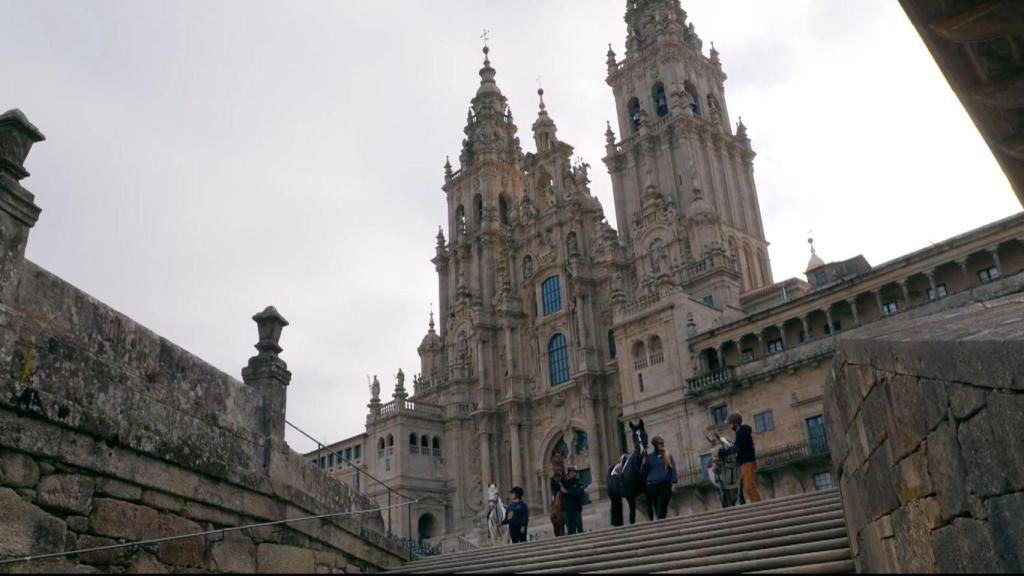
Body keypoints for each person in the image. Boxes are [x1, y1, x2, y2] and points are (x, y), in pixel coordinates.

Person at [723, 412, 761, 503]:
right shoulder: (741, 432)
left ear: (735, 423)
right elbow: (741, 449)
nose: (730, 426)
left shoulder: (742, 432)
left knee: (749, 488)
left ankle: (759, 508)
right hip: (746, 463)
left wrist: (721, 453)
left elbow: (736, 448)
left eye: (730, 424)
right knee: (750, 487)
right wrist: (736, 460)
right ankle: (758, 506)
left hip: (747, 463)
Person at [641, 435, 677, 520]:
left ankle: (660, 523)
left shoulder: (667, 456)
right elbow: (644, 472)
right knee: (656, 506)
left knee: (663, 504)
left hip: (665, 483)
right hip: (652, 485)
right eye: (660, 443)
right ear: (655, 445)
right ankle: (661, 525)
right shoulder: (649, 457)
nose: (662, 445)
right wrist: (644, 463)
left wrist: (674, 481)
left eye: (662, 443)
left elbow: (673, 469)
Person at [560, 465, 586, 535]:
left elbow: (579, 493)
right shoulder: (564, 483)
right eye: (572, 472)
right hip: (567, 510)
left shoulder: (579, 483)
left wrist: (567, 492)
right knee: (570, 531)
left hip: (576, 509)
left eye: (575, 472)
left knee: (580, 529)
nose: (574, 473)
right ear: (568, 473)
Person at [549, 469, 565, 537]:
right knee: (554, 500)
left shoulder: (562, 478)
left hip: (562, 492)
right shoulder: (552, 480)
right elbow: (552, 489)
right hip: (555, 494)